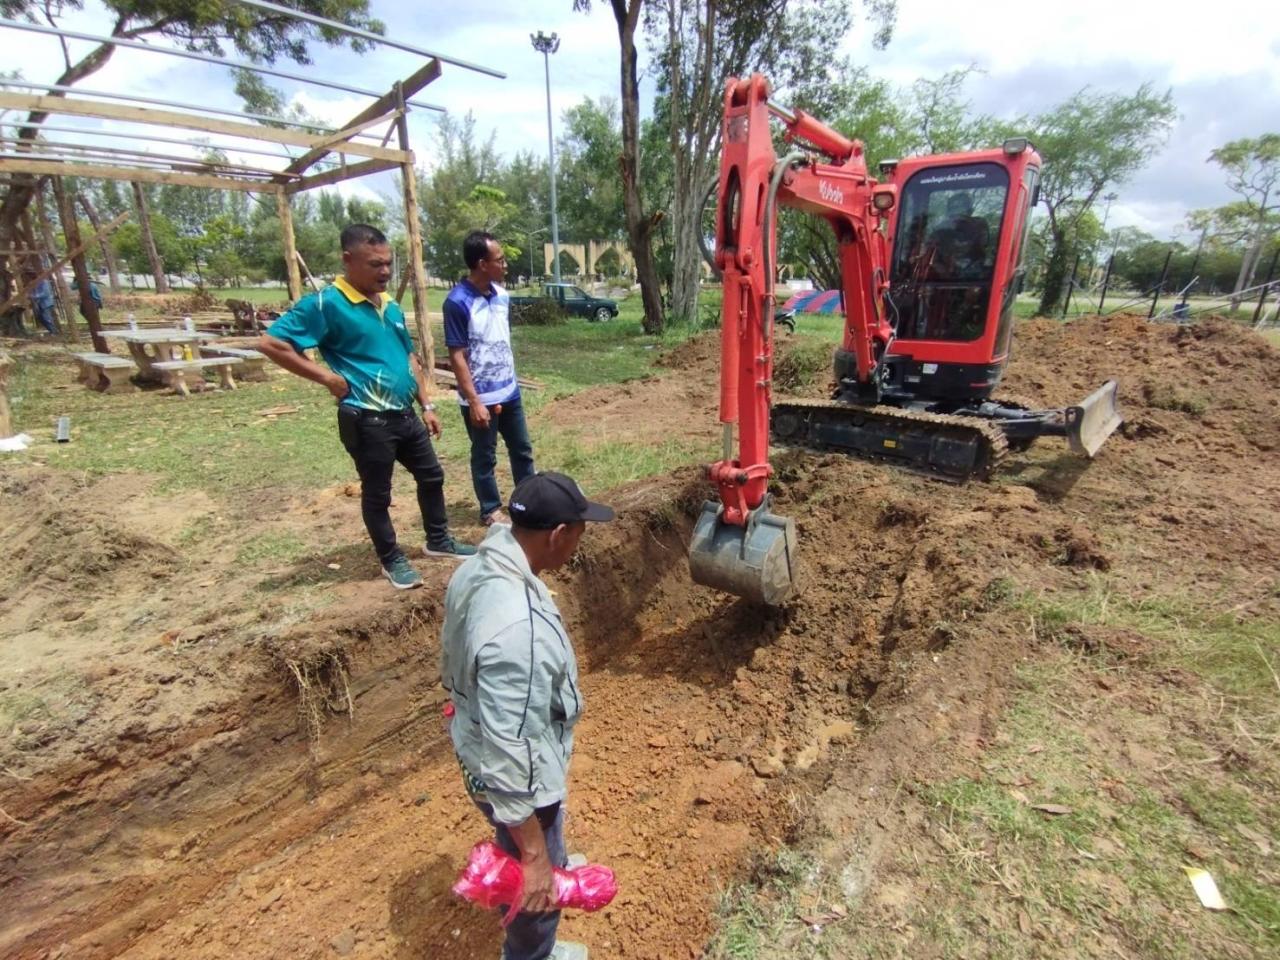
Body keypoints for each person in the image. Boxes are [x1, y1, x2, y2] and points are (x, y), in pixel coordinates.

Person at [440, 471, 614, 960]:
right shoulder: (518, 632)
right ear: (557, 535)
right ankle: (533, 953)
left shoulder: (483, 564)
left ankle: (541, 854)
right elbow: (511, 758)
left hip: (469, 733)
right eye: (579, 531)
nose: (580, 542)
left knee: (529, 841)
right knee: (536, 885)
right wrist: (536, 860)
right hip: (513, 770)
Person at [258, 223, 475, 591]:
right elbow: (271, 344)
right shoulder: (326, 304)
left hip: (405, 415)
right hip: (367, 418)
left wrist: (427, 403)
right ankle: (392, 559)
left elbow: (408, 356)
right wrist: (326, 378)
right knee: (378, 493)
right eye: (375, 264)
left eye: (389, 263)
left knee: (432, 476)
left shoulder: (389, 305)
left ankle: (438, 540)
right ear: (348, 260)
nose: (385, 271)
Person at [445, 231, 536, 527]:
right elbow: (457, 356)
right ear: (482, 264)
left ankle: (528, 499)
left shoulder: (502, 296)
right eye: (500, 259)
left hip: (509, 391)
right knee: (484, 456)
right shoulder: (457, 303)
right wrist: (474, 402)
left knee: (521, 448)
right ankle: (490, 508)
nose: (505, 264)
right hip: (480, 398)